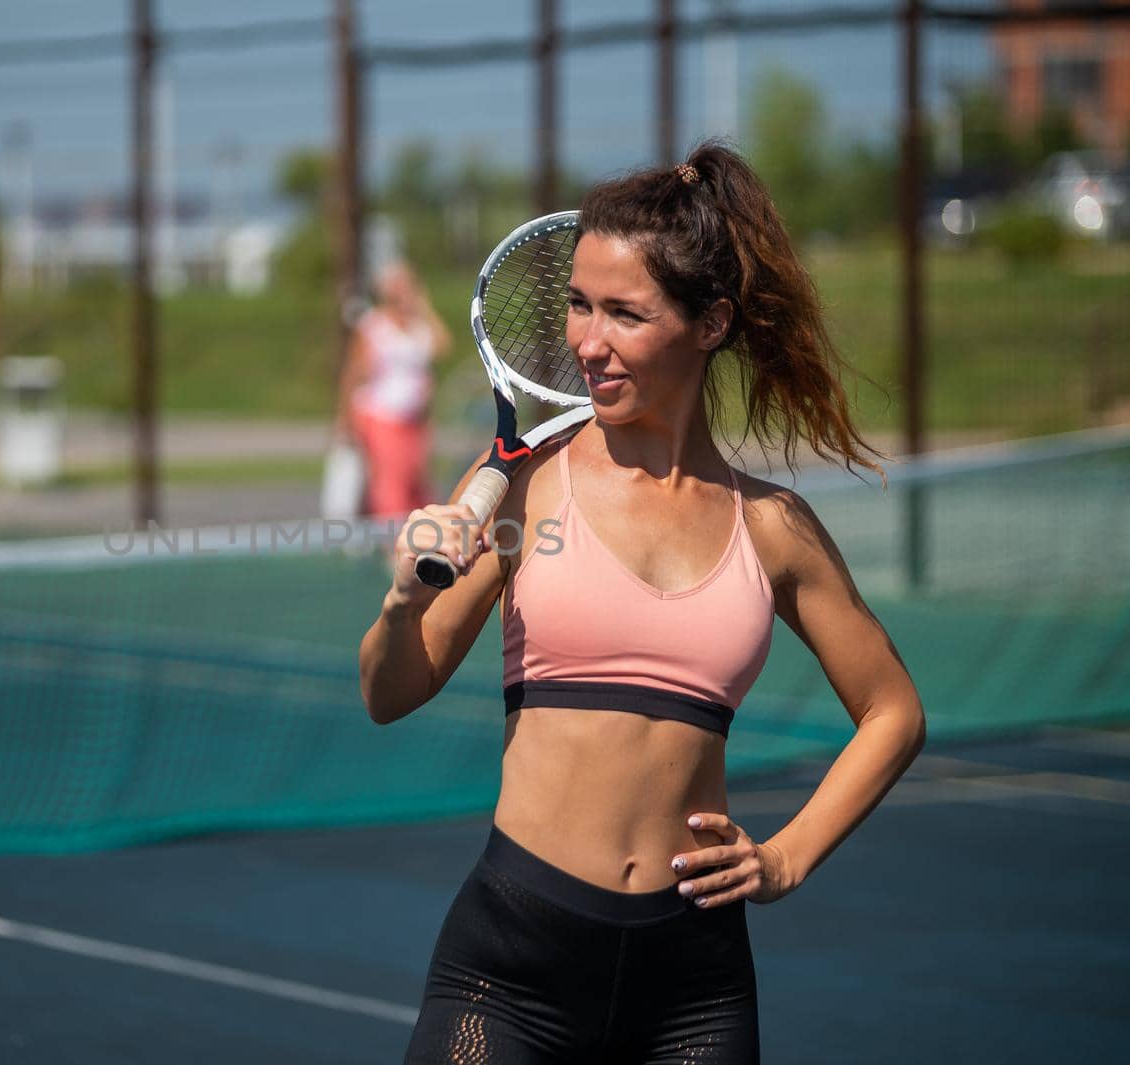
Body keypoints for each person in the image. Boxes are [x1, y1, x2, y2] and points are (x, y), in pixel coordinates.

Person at [360, 144, 925, 1064]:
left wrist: (785, 857)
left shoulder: (774, 526)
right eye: (579, 304)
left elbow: (893, 710)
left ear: (710, 324)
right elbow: (390, 691)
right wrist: (396, 604)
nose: (587, 339)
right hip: (510, 969)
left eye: (625, 312)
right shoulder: (523, 487)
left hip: (694, 988)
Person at [335, 260, 451, 519]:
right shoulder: (374, 325)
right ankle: (392, 545)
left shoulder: (418, 326)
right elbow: (354, 372)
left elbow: (443, 346)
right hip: (382, 414)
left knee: (418, 484)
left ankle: (413, 537)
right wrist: (344, 419)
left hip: (415, 419)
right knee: (391, 485)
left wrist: (423, 307)